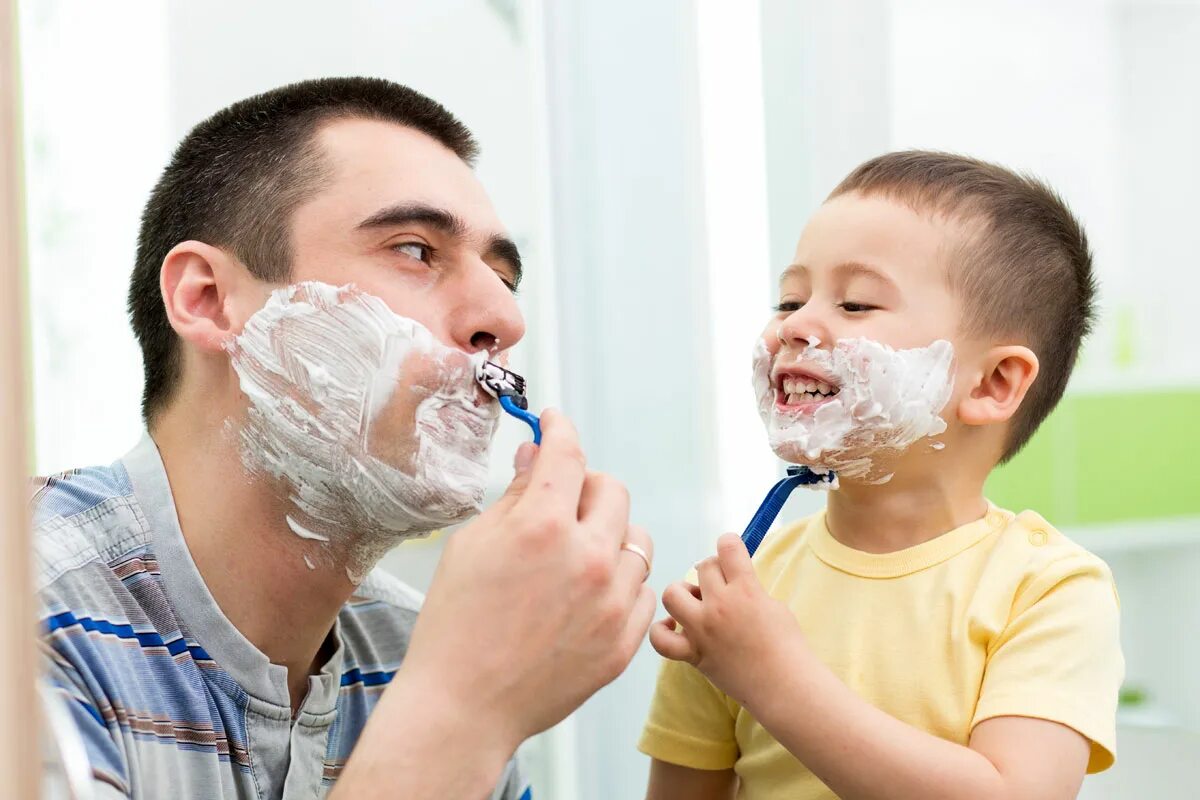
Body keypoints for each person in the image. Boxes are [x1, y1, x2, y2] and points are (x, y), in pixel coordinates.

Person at [35, 76, 656, 800]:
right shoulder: (32, 616)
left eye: (504, 276)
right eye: (417, 250)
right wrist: (458, 715)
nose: (504, 318)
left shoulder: (417, 651)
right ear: (206, 299)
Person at [640, 151, 1124, 799]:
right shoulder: (733, 603)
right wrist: (740, 655)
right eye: (789, 298)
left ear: (994, 383)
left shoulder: (1048, 591)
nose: (796, 326)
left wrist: (770, 678)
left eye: (857, 303)